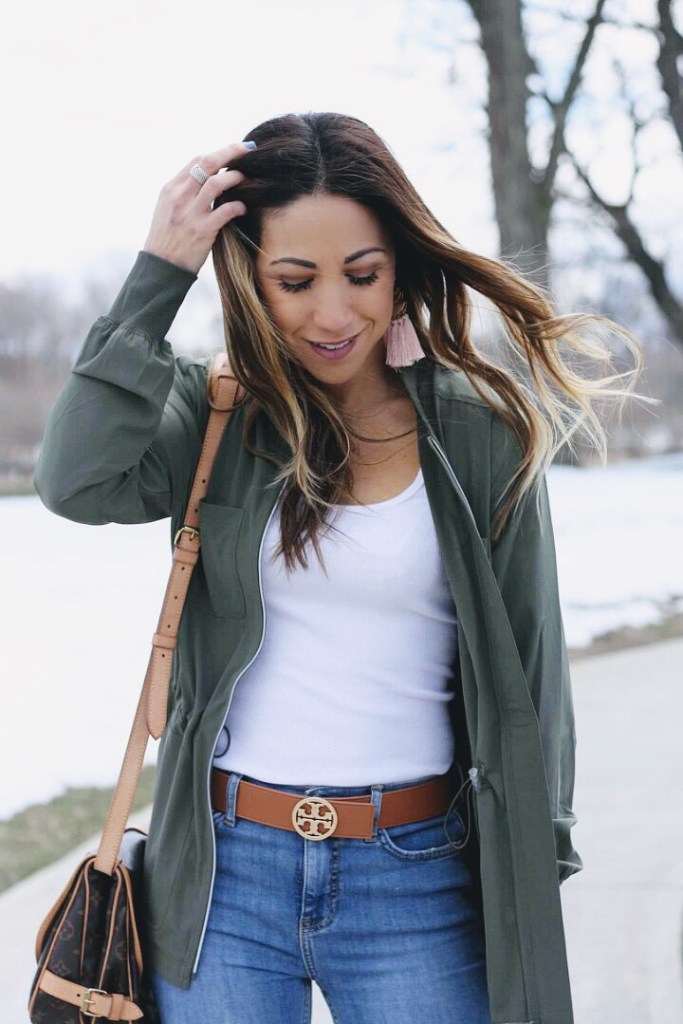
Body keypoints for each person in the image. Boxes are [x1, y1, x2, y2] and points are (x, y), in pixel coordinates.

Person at [34, 111, 645, 1024]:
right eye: (294, 281)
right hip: (224, 878)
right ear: (251, 280)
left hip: (417, 873)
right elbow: (76, 481)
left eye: (361, 275)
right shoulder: (214, 415)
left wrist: (533, 851)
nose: (331, 313)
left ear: (398, 269)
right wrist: (159, 275)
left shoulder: (480, 432)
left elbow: (532, 665)